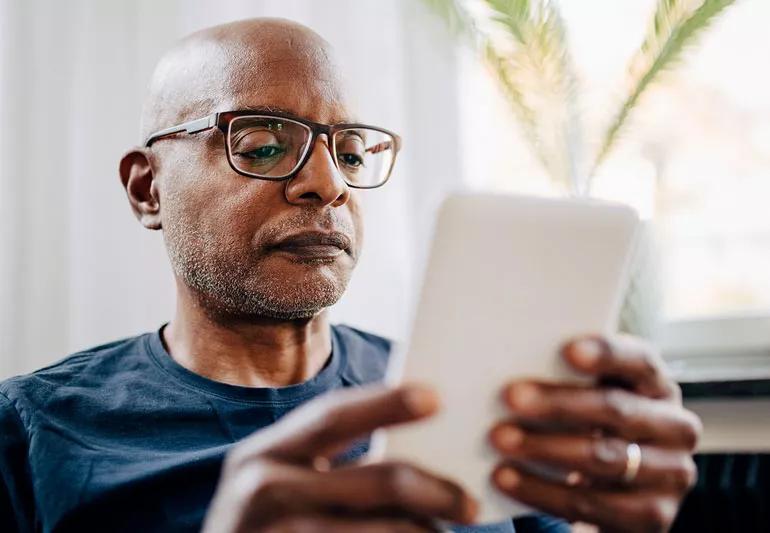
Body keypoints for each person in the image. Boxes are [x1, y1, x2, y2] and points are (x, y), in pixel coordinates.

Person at [0, 18, 701, 533]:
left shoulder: (458, 397)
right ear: (147, 189)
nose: (329, 184)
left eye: (352, 153)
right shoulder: (33, 432)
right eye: (265, 144)